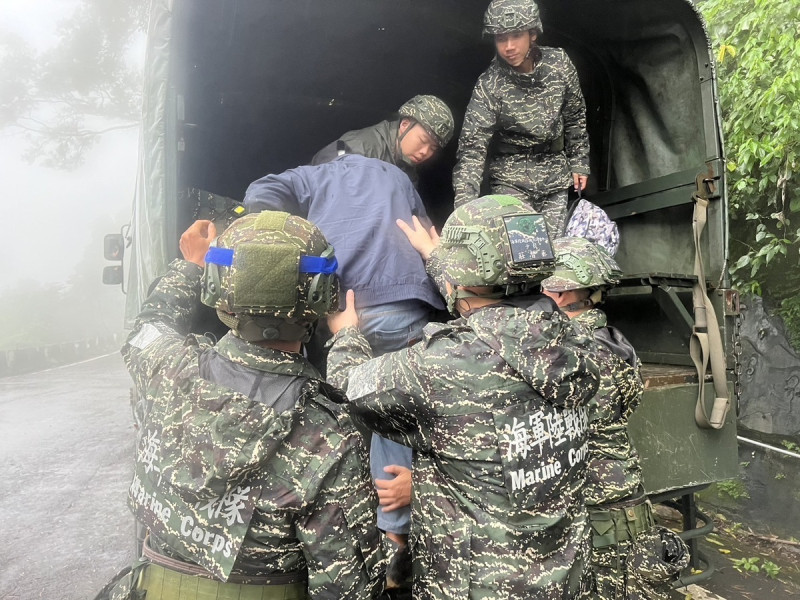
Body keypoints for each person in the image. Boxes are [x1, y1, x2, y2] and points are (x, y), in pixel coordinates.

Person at [326, 195, 601, 599]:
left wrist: (346, 332)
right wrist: (441, 262)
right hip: (566, 577)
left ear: (465, 276)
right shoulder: (581, 336)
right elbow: (495, 311)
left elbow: (349, 388)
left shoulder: (443, 364)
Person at [101, 213, 386, 600]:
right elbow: (349, 588)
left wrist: (191, 266)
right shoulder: (328, 434)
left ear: (220, 289)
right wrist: (349, 338)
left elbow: (147, 328)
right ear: (320, 296)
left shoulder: (166, 367)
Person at [243, 154, 446, 550]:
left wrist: (283, 243)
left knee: (339, 413)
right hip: (402, 302)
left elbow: (260, 191)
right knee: (396, 416)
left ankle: (337, 529)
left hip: (339, 306)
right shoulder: (396, 176)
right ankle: (395, 534)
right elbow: (423, 230)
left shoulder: (312, 175)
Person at [541, 237, 689, 599]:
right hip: (624, 509)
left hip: (598, 519)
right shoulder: (614, 342)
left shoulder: (566, 351)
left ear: (560, 294)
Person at [452, 0, 590, 238]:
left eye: (516, 35)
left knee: (553, 254)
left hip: (555, 176)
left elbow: (575, 116)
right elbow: (472, 149)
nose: (508, 47)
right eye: (500, 38)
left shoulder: (560, 65)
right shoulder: (489, 85)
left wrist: (580, 162)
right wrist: (464, 211)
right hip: (510, 180)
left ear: (532, 33)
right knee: (523, 256)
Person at [311, 94, 455, 186]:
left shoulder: (408, 170)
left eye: (433, 148)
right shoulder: (357, 148)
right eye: (423, 140)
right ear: (405, 125)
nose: (425, 152)